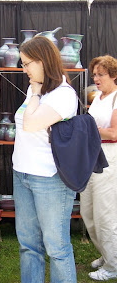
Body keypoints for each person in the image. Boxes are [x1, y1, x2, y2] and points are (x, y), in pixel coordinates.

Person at [12, 36, 78, 283]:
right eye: (22, 63)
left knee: (57, 248)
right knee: (28, 245)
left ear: (44, 61)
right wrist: (36, 92)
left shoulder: (63, 94)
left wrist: (37, 93)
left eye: (27, 63)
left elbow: (29, 124)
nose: (24, 69)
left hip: (49, 179)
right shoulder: (34, 88)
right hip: (22, 174)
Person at [80, 55, 117, 281]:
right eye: (94, 74)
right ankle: (106, 253)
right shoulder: (99, 98)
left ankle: (113, 265)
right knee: (88, 211)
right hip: (92, 156)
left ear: (113, 75)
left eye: (101, 74)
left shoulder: (115, 98)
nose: (96, 78)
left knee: (105, 214)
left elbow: (113, 133)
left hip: (110, 158)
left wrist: (90, 127)